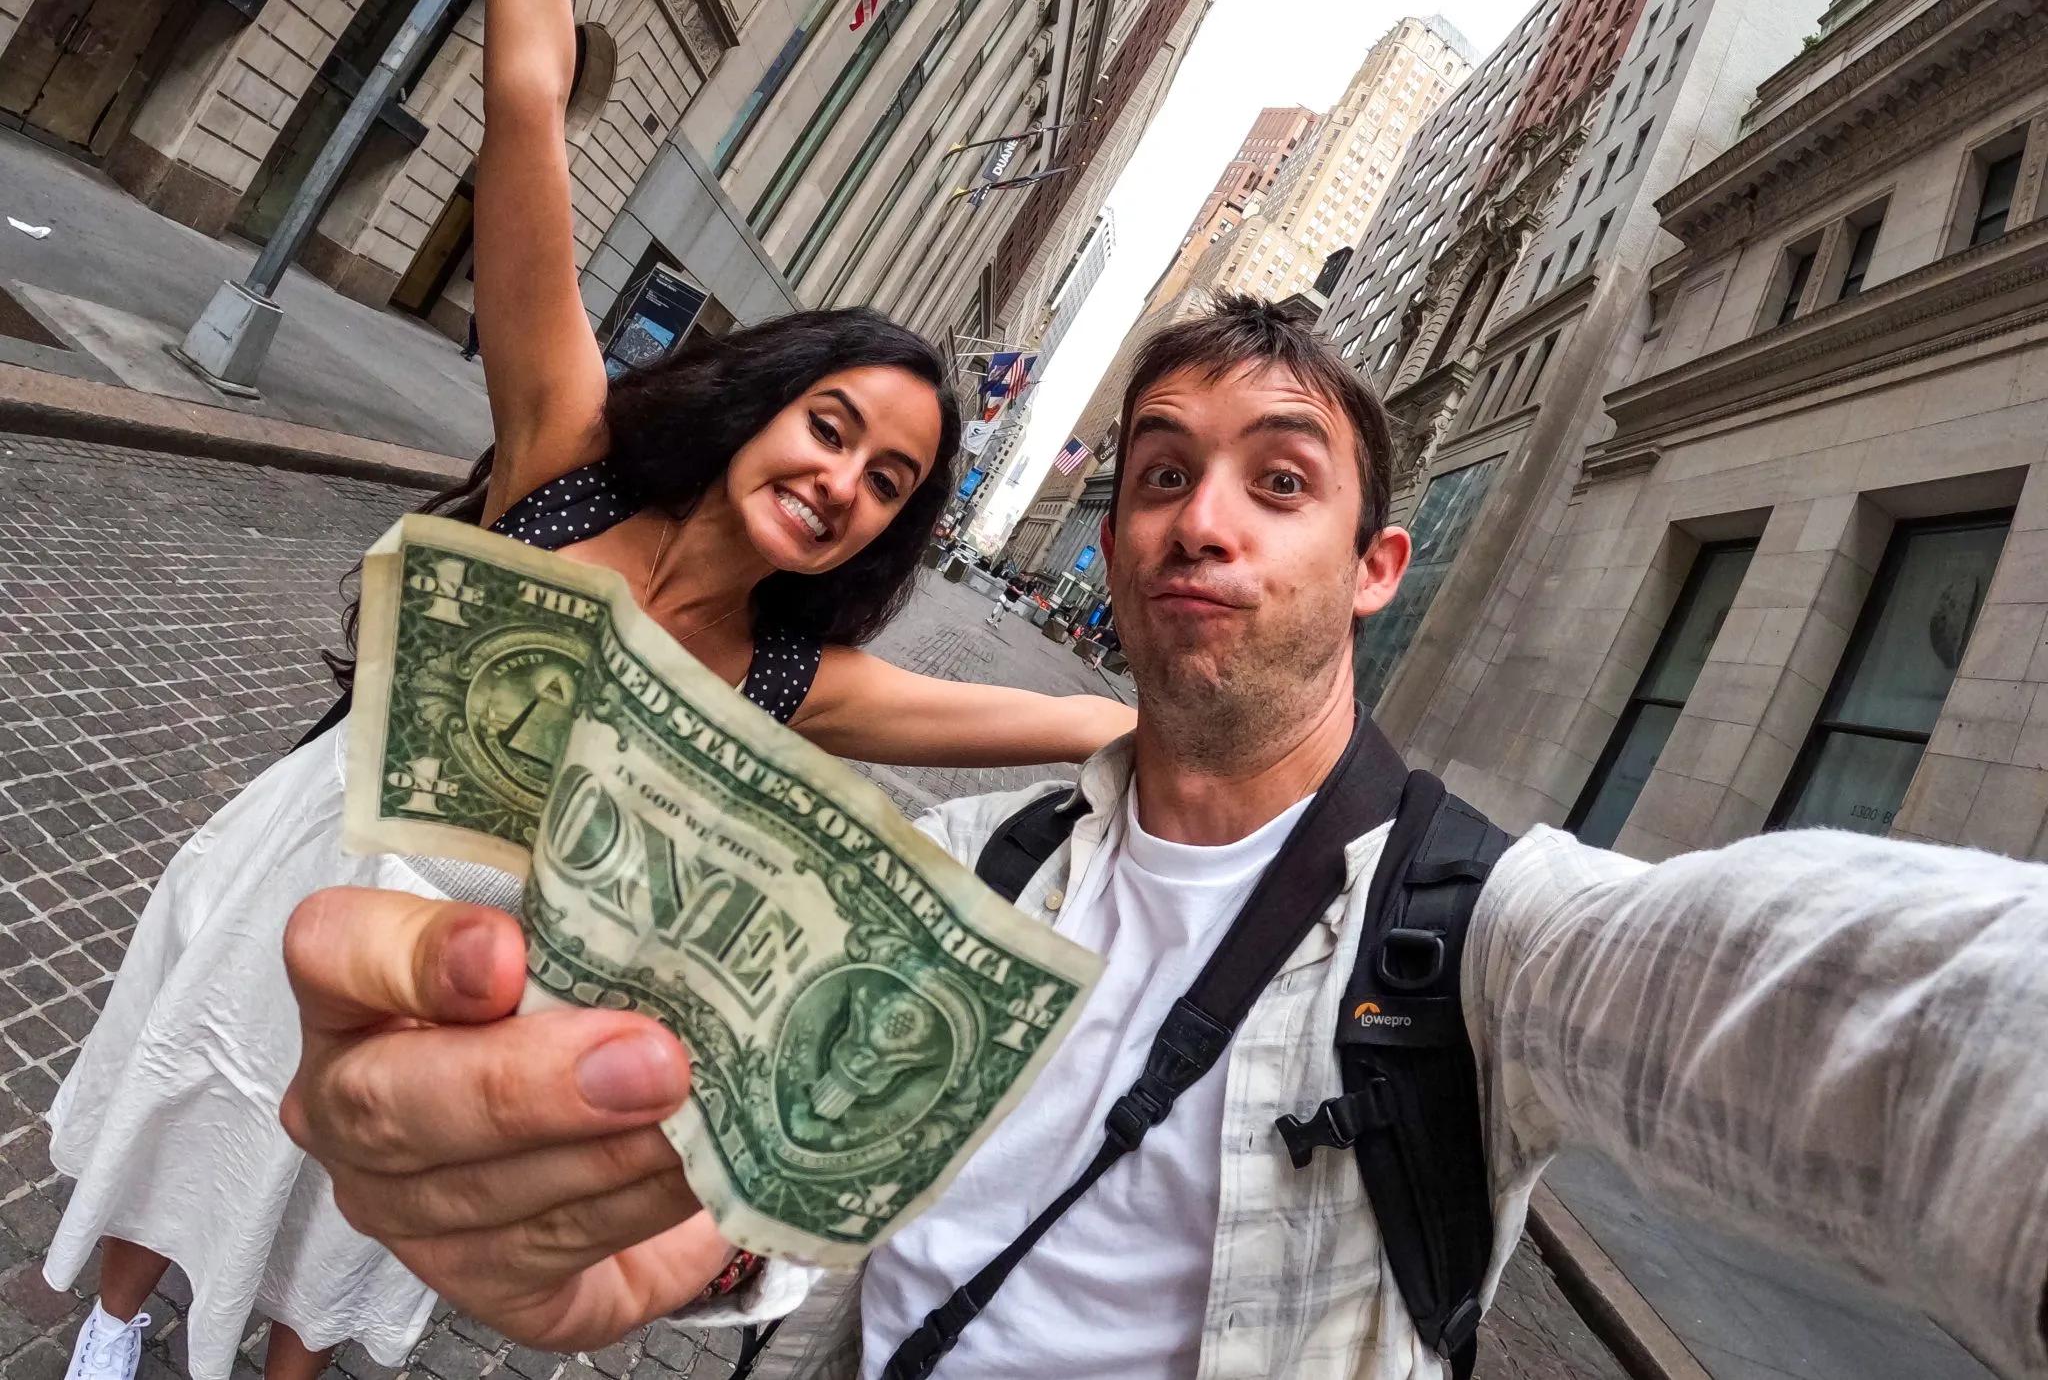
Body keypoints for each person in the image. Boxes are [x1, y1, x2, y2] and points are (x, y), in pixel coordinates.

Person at [275, 295, 2048, 1380]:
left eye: (1280, 479)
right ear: (1112, 551)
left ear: (1374, 569)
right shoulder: (982, 860)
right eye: (1159, 474)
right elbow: (809, 1225)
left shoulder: (1481, 933)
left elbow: (1859, 1008)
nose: (1204, 516)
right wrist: (656, 1248)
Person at [38, 0, 1131, 1380]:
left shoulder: (792, 676)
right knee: (204, 1097)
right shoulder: (568, 461)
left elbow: (1094, 732)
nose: (842, 481)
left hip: (482, 983)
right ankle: (113, 1338)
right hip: (311, 875)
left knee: (344, 1235)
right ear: (766, 407)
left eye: (889, 479)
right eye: (830, 428)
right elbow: (530, 98)